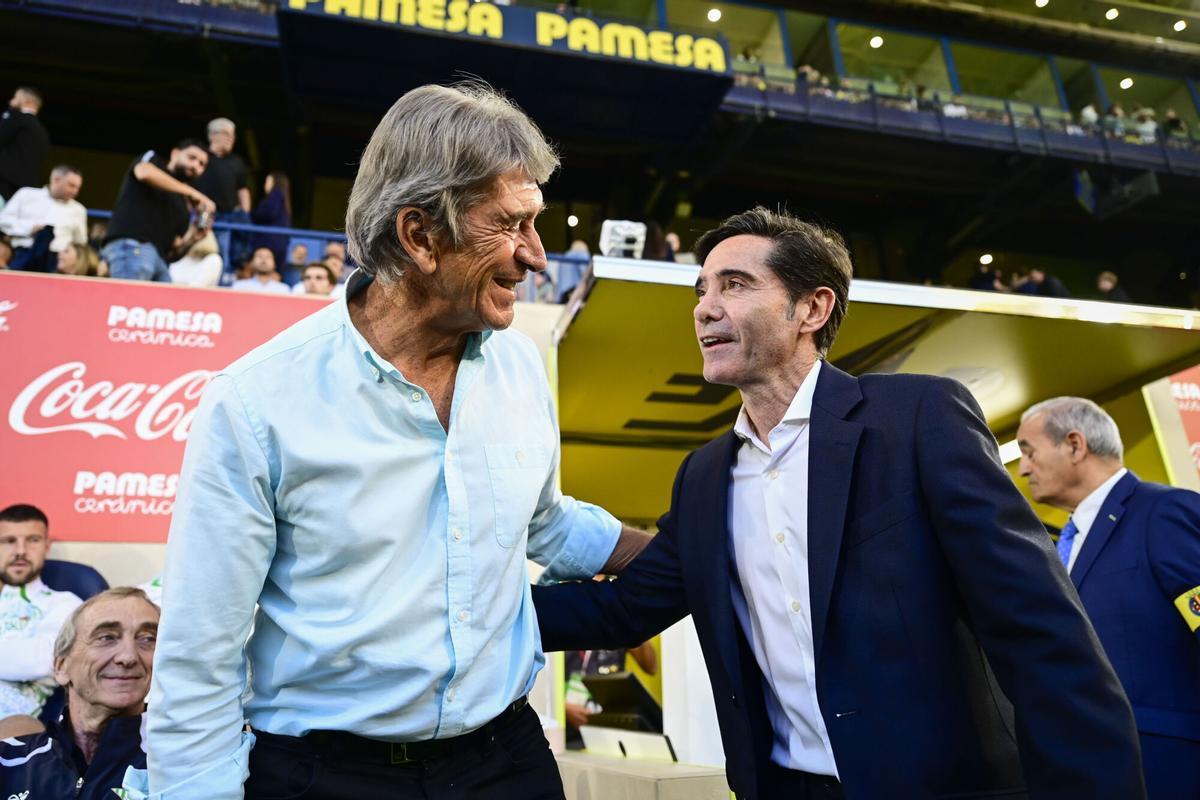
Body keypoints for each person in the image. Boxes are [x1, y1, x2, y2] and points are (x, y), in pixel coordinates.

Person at [140, 82, 651, 800]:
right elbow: (199, 657)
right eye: (510, 225)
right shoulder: (256, 401)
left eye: (537, 222)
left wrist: (679, 550)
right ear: (419, 236)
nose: (536, 256)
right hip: (325, 778)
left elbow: (545, 522)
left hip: (506, 762)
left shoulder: (516, 363)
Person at [534, 207, 1145, 800]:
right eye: (700, 291)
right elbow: (623, 608)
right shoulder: (704, 476)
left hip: (943, 787)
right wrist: (456, 612)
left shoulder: (918, 419)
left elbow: (1040, 631)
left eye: (735, 285)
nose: (704, 309)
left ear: (812, 308)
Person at [1017, 397, 1200, 799]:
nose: (1024, 468)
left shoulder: (1164, 513)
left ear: (1075, 444)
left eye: (1029, 451)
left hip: (1170, 768)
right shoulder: (1060, 544)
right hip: (1096, 772)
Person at [0, 587, 159, 800]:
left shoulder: (183, 761)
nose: (128, 657)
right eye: (107, 637)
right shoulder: (9, 759)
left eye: (148, 639)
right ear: (61, 667)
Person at [0, 504, 83, 717]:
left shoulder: (64, 604)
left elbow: (41, 661)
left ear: (47, 545)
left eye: (32, 540)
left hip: (13, 727)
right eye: (9, 541)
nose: (20, 551)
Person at [101, 140, 215, 282]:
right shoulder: (154, 160)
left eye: (201, 164)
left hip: (161, 262)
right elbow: (143, 173)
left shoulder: (183, 204)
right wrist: (194, 193)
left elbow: (172, 254)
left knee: (163, 304)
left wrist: (192, 239)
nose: (195, 166)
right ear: (175, 153)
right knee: (130, 302)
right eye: (192, 158)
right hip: (133, 246)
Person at [0, 164, 87, 271]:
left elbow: (80, 242)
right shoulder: (26, 194)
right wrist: (30, 228)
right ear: (56, 179)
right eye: (71, 185)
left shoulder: (79, 210)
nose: (75, 191)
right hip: (21, 253)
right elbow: (3, 221)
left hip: (56, 260)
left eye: (78, 187)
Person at [193, 117, 252, 270]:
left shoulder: (237, 161)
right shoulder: (200, 156)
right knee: (199, 247)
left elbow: (243, 189)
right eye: (226, 133)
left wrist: (245, 213)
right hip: (202, 213)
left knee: (224, 252)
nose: (230, 138)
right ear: (212, 135)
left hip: (229, 215)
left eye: (232, 135)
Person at [0, 86, 50, 203]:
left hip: (4, 181)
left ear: (27, 101)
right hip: (27, 187)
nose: (11, 101)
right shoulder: (43, 132)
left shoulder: (15, 117)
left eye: (16, 97)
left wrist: (10, 112)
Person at [250, 171, 291, 271]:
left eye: (267, 181)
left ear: (274, 182)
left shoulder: (276, 194)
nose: (265, 185)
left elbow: (267, 213)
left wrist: (251, 215)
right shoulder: (283, 199)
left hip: (269, 242)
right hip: (278, 242)